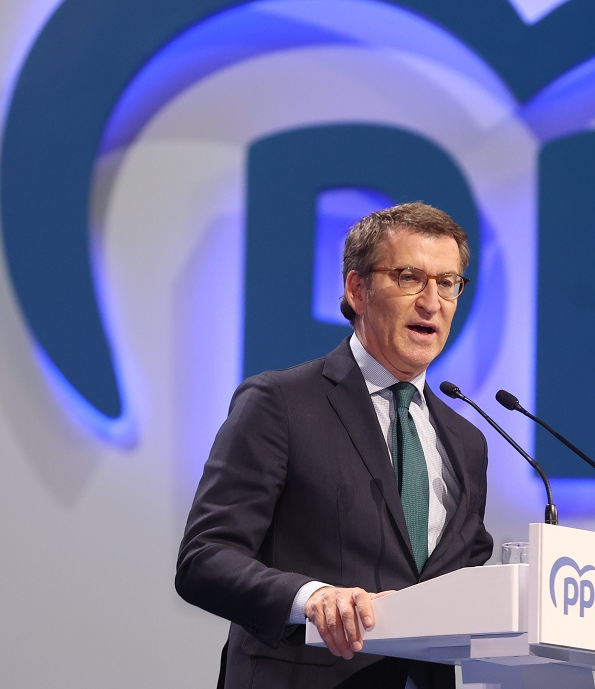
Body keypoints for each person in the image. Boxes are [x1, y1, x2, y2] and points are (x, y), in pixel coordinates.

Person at [176, 202, 493, 688]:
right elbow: (205, 557)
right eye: (410, 277)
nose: (432, 302)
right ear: (357, 289)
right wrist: (312, 599)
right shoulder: (280, 403)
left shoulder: (467, 443)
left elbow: (461, 578)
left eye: (448, 283)